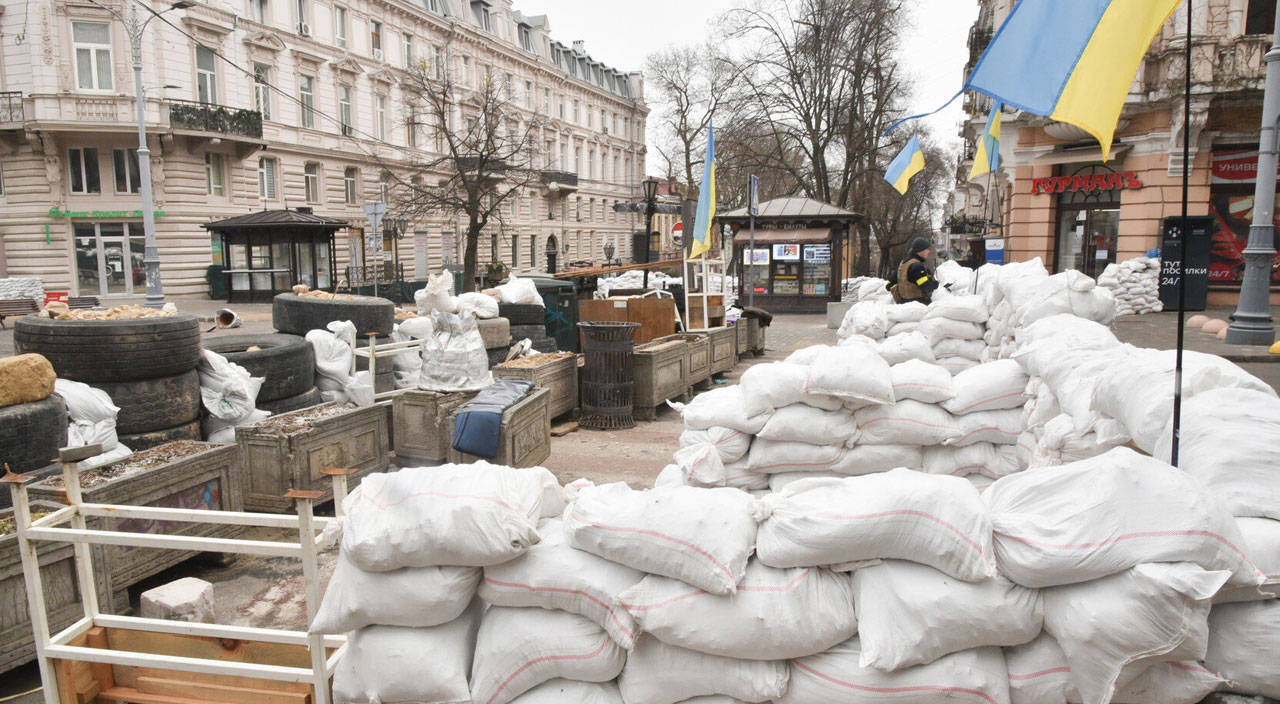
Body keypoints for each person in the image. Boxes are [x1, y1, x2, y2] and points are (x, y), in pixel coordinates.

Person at [887, 237, 939, 304]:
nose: (929, 251)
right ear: (920, 250)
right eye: (927, 249)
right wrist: (935, 284)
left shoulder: (903, 264)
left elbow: (888, 286)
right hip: (918, 305)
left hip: (904, 305)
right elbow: (926, 287)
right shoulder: (917, 266)